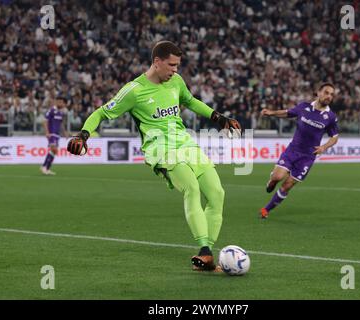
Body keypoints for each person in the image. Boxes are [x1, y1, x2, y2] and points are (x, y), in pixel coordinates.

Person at [66, 41, 241, 272]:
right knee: (192, 188)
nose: (175, 70)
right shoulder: (134, 90)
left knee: (217, 193)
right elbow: (102, 112)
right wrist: (83, 135)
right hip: (160, 148)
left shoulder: (176, 82)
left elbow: (190, 101)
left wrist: (219, 118)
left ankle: (205, 253)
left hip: (185, 142)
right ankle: (205, 251)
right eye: (171, 65)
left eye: (178, 65)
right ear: (156, 62)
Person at [259, 83, 339, 218]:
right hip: (293, 150)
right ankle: (272, 180)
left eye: (331, 95)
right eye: (326, 92)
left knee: (287, 185)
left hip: (308, 157)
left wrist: (324, 147)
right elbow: (287, 113)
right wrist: (271, 113)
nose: (329, 96)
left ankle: (266, 210)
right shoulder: (304, 107)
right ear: (318, 92)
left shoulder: (330, 117)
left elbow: (335, 137)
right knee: (277, 178)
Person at [40, 96, 67, 175]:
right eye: (59, 102)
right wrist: (47, 132)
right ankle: (44, 167)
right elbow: (45, 121)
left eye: (61, 102)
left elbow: (61, 123)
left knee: (54, 151)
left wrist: (64, 132)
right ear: (56, 102)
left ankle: (46, 168)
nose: (60, 103)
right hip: (51, 133)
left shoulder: (60, 112)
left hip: (57, 135)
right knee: (54, 149)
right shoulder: (52, 110)